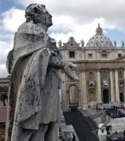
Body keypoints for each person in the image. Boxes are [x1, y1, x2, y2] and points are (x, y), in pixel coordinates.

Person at [5, 3, 78, 141]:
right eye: (47, 13)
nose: (50, 15)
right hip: (38, 89)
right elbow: (38, 54)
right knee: (37, 129)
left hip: (47, 86)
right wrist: (62, 63)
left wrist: (61, 63)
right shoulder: (27, 30)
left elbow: (44, 54)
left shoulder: (41, 34)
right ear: (37, 15)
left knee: (46, 127)